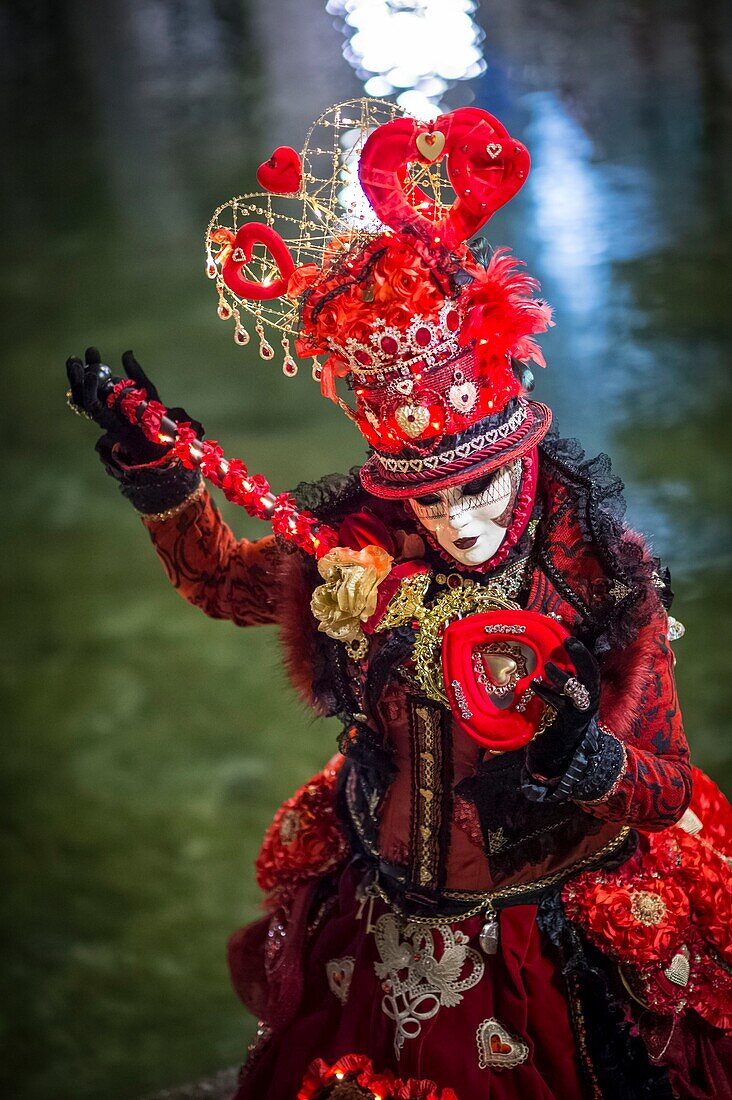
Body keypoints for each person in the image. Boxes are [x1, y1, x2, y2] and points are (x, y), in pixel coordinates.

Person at [66, 103, 731, 1100]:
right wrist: (159, 475)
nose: (457, 521)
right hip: (388, 910)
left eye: (479, 486)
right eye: (428, 495)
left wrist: (586, 757)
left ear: (520, 456)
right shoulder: (351, 559)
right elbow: (214, 579)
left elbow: (669, 785)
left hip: (548, 932)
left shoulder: (599, 578)